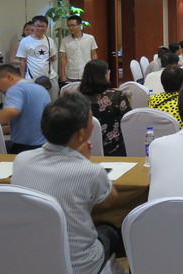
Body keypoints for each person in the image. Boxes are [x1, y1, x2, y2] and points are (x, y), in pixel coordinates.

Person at [11, 94, 119, 274]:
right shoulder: (90, 171)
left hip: (30, 258)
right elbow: (111, 201)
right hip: (80, 265)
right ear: (81, 134)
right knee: (111, 231)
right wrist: (84, 161)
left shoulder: (21, 160)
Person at [0, 64, 49, 154]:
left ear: (9, 77)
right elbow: (28, 125)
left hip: (23, 149)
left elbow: (11, 111)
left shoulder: (15, 89)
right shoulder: (41, 89)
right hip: (43, 146)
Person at [80, 59, 130, 156]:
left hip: (85, 149)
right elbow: (129, 120)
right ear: (105, 75)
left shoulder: (77, 98)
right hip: (115, 149)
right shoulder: (117, 96)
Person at [16, 15, 59, 100]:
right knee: (34, 103)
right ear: (33, 26)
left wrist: (53, 58)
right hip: (32, 78)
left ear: (47, 27)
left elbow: (54, 57)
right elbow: (22, 61)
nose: (40, 28)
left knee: (52, 102)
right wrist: (22, 79)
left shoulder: (50, 40)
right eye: (38, 26)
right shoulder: (25, 41)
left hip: (50, 77)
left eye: (43, 26)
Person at [59, 15, 98, 84]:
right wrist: (62, 75)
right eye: (68, 25)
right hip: (71, 75)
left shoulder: (90, 38)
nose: (70, 28)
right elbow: (63, 58)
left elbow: (94, 55)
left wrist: (95, 72)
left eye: (73, 25)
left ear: (80, 25)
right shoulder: (65, 40)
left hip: (87, 74)